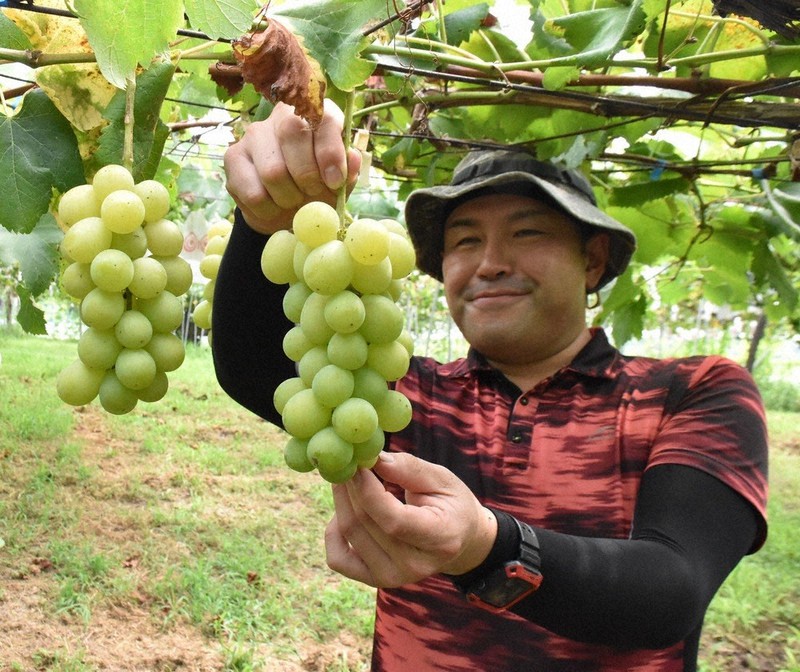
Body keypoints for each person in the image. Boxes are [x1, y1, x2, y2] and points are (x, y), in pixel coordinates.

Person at [212, 100, 769, 672]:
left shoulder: (693, 392)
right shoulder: (409, 394)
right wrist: (260, 221)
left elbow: (670, 591)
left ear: (593, 260)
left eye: (526, 233)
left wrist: (486, 548)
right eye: (465, 241)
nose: (491, 263)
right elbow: (251, 365)